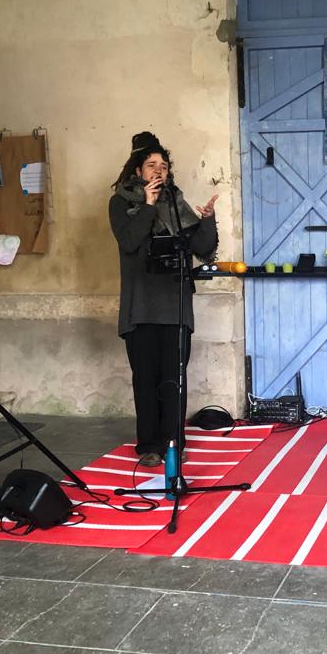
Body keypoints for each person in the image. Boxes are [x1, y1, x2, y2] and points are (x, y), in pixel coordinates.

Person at [109, 131, 219, 467]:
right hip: (140, 306)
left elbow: (202, 248)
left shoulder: (176, 203)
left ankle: (173, 442)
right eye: (151, 165)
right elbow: (129, 242)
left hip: (175, 305)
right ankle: (150, 446)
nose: (159, 170)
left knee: (174, 379)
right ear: (137, 170)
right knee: (146, 379)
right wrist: (148, 205)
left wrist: (207, 220)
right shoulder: (121, 203)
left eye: (164, 166)